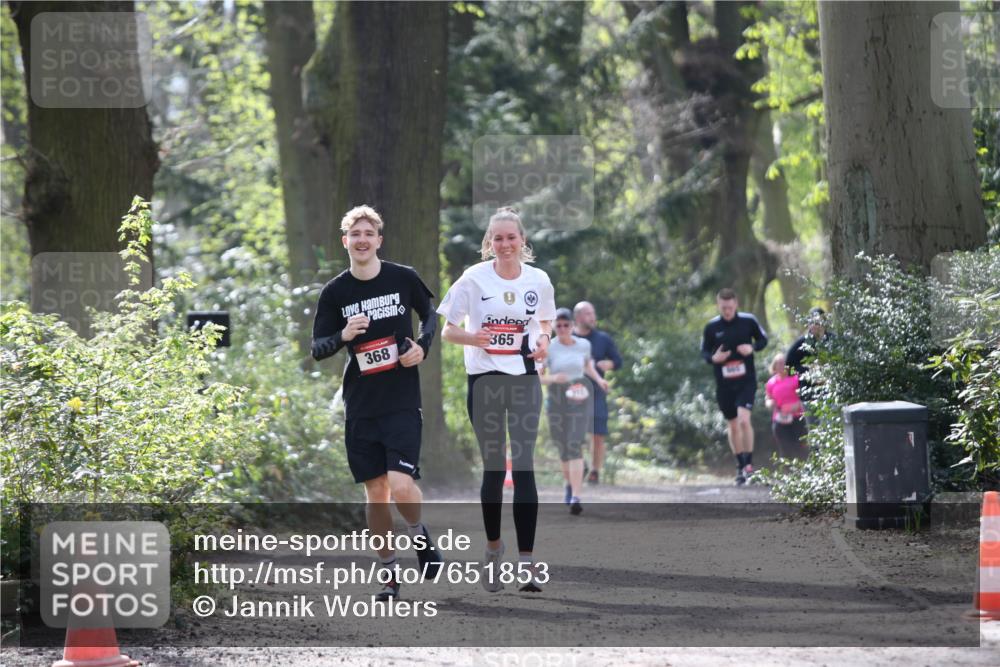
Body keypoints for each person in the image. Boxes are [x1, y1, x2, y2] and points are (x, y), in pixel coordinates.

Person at [311, 205, 443, 602]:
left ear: (379, 240)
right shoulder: (335, 293)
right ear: (345, 242)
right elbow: (318, 348)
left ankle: (419, 535)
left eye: (369, 233)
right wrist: (345, 335)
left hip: (401, 399)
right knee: (376, 493)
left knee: (401, 484)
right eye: (356, 234)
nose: (363, 240)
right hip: (361, 404)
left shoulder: (403, 278)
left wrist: (422, 347)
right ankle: (388, 574)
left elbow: (431, 313)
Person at [437, 207, 555, 593]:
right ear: (489, 243)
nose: (505, 244)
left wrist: (543, 341)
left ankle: (527, 563)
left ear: (523, 241)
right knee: (493, 469)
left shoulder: (538, 279)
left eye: (511, 237)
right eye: (498, 238)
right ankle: (492, 550)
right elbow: (447, 332)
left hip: (523, 380)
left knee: (523, 466)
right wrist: (475, 339)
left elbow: (544, 323)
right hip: (485, 380)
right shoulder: (473, 279)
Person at [541, 308, 608, 515]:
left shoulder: (583, 345)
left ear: (572, 326)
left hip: (578, 396)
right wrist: (553, 379)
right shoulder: (548, 347)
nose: (562, 329)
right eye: (558, 325)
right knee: (563, 446)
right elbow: (537, 377)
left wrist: (599, 380)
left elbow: (588, 366)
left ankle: (576, 496)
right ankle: (569, 484)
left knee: (575, 443)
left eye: (566, 325)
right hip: (556, 397)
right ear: (553, 327)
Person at [700, 288, 768, 486]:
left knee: (744, 421)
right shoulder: (712, 327)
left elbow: (763, 340)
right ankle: (740, 466)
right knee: (732, 425)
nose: (727, 311)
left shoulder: (748, 321)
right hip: (724, 384)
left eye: (730, 307)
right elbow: (704, 352)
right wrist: (714, 358)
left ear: (736, 304)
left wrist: (752, 348)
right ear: (718, 305)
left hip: (746, 381)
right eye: (723, 308)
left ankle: (749, 465)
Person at [572, 301, 622, 485]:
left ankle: (595, 471)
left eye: (593, 313)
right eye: (587, 313)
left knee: (598, 434)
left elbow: (618, 360)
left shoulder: (603, 339)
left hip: (597, 391)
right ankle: (580, 463)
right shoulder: (569, 338)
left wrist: (610, 364)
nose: (592, 317)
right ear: (577, 317)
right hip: (573, 391)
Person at [764, 353, 808, 460]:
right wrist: (769, 403)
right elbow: (768, 398)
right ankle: (787, 473)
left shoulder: (796, 378)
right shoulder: (771, 382)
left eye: (783, 363)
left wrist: (797, 404)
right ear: (774, 366)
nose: (781, 365)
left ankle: (805, 471)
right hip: (780, 420)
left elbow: (805, 395)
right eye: (778, 363)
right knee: (785, 449)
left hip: (798, 418)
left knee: (801, 447)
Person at [786, 307, 832, 397]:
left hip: (832, 389)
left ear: (824, 323)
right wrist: (807, 370)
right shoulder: (801, 343)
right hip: (808, 392)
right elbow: (788, 368)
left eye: (817, 323)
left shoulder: (834, 340)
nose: (814, 326)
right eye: (811, 323)